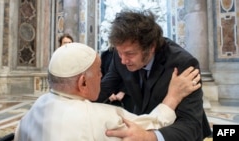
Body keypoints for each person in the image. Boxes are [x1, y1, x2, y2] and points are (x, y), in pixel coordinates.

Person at [14, 43, 201, 141]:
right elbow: (151, 126)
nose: (103, 76)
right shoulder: (102, 119)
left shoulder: (35, 108)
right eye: (99, 71)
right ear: (83, 82)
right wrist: (173, 96)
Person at [96, 10, 211, 141]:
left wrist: (150, 137)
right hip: (147, 124)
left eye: (130, 54)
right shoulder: (121, 54)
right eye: (120, 53)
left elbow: (191, 126)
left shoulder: (182, 64)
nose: (123, 60)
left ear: (151, 47)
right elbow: (103, 89)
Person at [101, 47, 134, 112]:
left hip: (127, 92)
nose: (123, 60)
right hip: (111, 93)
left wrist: (123, 91)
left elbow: (133, 74)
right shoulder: (106, 54)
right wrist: (108, 93)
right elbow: (108, 76)